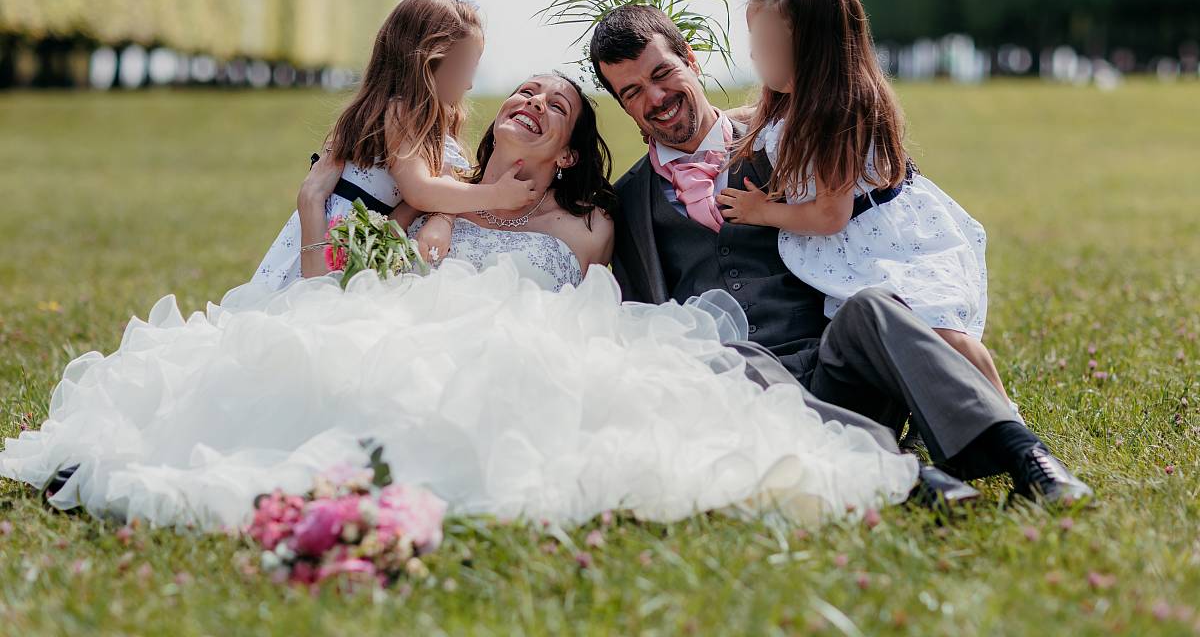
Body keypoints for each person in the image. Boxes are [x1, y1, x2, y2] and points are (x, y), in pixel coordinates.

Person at [0, 73, 919, 530]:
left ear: (566, 152)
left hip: (519, 353)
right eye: (521, 92)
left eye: (553, 108)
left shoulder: (586, 223)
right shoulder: (425, 192)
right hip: (400, 334)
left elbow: (618, 303)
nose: (528, 103)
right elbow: (327, 290)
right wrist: (319, 207)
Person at [595, 2, 1092, 505]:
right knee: (727, 355)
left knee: (873, 305)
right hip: (739, 396)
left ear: (692, 61)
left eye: (663, 73)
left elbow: (883, 216)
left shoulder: (788, 137)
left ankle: (1031, 461)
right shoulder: (628, 203)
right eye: (633, 91)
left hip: (838, 369)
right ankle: (914, 482)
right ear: (623, 105)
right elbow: (645, 330)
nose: (656, 97)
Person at [716, 0, 1014, 413]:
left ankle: (1003, 417)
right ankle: (932, 412)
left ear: (812, 51)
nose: (754, 54)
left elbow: (829, 215)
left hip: (889, 240)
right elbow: (758, 119)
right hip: (859, 250)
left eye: (767, 44)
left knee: (937, 328)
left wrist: (762, 212)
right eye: (754, 40)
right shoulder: (793, 100)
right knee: (889, 347)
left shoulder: (837, 114)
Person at [252, 0, 540, 291]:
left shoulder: (428, 126)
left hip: (362, 241)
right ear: (429, 63)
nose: (469, 84)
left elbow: (437, 188)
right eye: (465, 68)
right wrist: (497, 194)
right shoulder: (400, 112)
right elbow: (420, 191)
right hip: (333, 236)